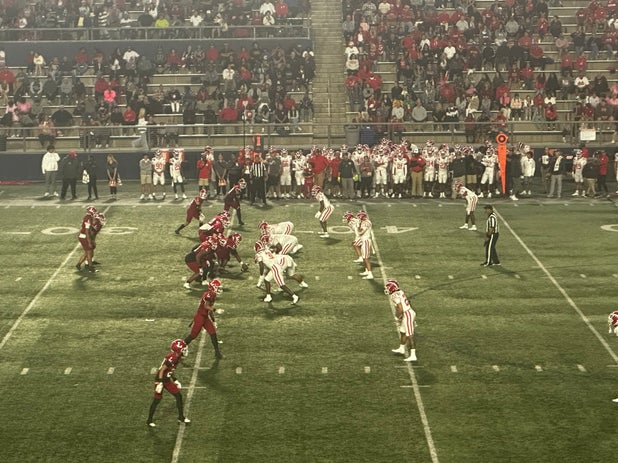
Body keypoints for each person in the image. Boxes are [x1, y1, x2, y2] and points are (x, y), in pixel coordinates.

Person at [146, 339, 192, 427]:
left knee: (178, 396)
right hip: (160, 379)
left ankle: (181, 417)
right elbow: (162, 370)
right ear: (178, 350)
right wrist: (160, 383)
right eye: (183, 349)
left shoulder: (177, 357)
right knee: (157, 400)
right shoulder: (173, 357)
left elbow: (170, 370)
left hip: (166, 380)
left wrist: (175, 380)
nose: (185, 351)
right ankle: (149, 420)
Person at [183, 279, 224, 359]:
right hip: (200, 317)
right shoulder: (208, 295)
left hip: (205, 317)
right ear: (213, 288)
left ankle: (217, 352)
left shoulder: (213, 295)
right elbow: (206, 306)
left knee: (213, 333)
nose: (219, 289)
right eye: (218, 287)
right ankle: (180, 347)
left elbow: (209, 309)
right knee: (193, 336)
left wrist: (213, 321)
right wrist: (216, 310)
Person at [255, 241, 304, 305]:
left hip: (275, 269)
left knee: (281, 285)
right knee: (266, 280)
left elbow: (261, 265)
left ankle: (294, 296)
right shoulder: (267, 251)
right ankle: (268, 296)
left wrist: (261, 273)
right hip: (276, 266)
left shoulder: (258, 255)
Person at [386, 279, 417, 362]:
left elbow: (400, 309)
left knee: (410, 335)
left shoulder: (394, 296)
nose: (387, 289)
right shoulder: (400, 291)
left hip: (407, 314)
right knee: (403, 331)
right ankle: (401, 348)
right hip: (408, 312)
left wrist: (397, 317)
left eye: (388, 288)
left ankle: (413, 355)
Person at [75, 205, 98, 273]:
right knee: (89, 252)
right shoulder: (88, 219)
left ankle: (78, 264)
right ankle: (90, 267)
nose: (95, 213)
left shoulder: (87, 217)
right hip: (84, 236)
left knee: (87, 252)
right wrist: (90, 242)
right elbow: (87, 232)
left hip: (83, 236)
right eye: (94, 212)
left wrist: (93, 228)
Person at [353, 211, 374, 280]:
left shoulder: (365, 223)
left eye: (359, 217)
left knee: (366, 258)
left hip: (366, 241)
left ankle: (370, 274)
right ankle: (366, 270)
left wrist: (358, 225)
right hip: (363, 240)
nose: (358, 218)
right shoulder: (365, 221)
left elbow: (360, 232)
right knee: (364, 257)